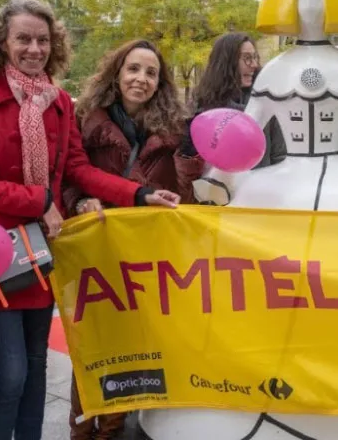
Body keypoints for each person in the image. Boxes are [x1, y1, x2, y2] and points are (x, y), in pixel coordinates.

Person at [0, 0, 180, 440]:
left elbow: (78, 168)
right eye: (23, 39)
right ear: (3, 42)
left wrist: (141, 194)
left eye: (42, 40)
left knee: (35, 371)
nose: (34, 48)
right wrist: (39, 200)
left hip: (41, 252)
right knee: (9, 375)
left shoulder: (58, 103)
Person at [65, 39, 204, 439]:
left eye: (150, 72)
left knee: (136, 344)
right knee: (91, 344)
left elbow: (184, 193)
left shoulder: (175, 128)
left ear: (160, 82)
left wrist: (189, 167)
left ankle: (112, 428)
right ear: (117, 73)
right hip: (96, 248)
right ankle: (81, 427)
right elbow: (68, 176)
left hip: (148, 254)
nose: (140, 79)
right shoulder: (84, 120)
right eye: (133, 69)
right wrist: (79, 203)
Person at [191, 32, 285, 169]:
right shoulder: (202, 107)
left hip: (261, 187)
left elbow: (279, 157)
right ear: (226, 62)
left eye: (255, 58)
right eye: (247, 58)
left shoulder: (266, 102)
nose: (254, 64)